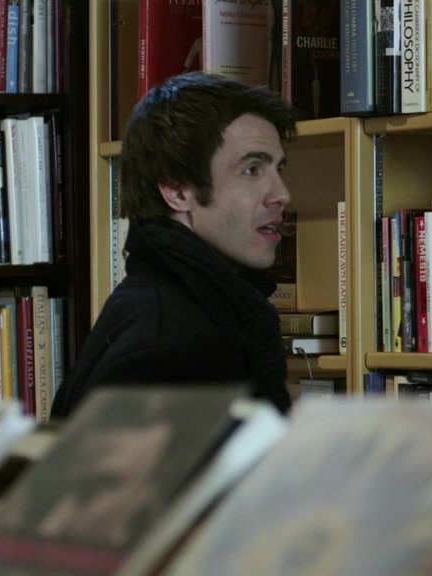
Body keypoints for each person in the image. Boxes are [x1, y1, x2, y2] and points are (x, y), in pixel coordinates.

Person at [51, 73, 297, 419]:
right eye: (252, 170)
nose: (282, 194)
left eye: (279, 169)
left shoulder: (182, 310)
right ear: (178, 191)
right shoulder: (163, 349)